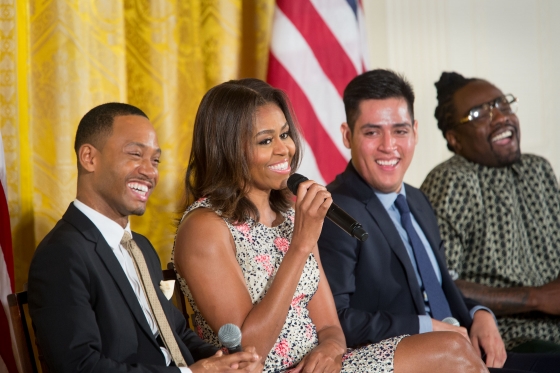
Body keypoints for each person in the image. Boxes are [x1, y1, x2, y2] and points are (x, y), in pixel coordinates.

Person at [172, 78, 489, 373]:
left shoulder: (292, 213)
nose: (285, 149)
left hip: (324, 366)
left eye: (284, 134)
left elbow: (330, 326)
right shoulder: (205, 227)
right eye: (266, 140)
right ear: (227, 150)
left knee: (456, 344)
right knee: (452, 352)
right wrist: (300, 247)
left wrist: (330, 348)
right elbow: (247, 351)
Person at [317, 69, 560, 373]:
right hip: (421, 361)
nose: (388, 145)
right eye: (372, 132)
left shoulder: (417, 200)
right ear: (346, 135)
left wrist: (481, 313)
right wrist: (425, 328)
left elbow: (440, 286)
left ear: (415, 132)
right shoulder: (335, 210)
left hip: (469, 352)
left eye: (400, 131)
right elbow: (336, 321)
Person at [28, 103, 261, 373]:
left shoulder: (141, 247)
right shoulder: (61, 255)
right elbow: (80, 367)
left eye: (155, 160)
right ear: (89, 158)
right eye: (135, 154)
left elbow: (175, 334)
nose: (150, 172)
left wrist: (227, 362)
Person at [420, 72, 560, 353]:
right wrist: (536, 298)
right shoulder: (452, 180)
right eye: (479, 113)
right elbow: (438, 283)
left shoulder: (538, 170)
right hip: (507, 339)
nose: (500, 117)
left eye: (503, 105)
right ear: (454, 139)